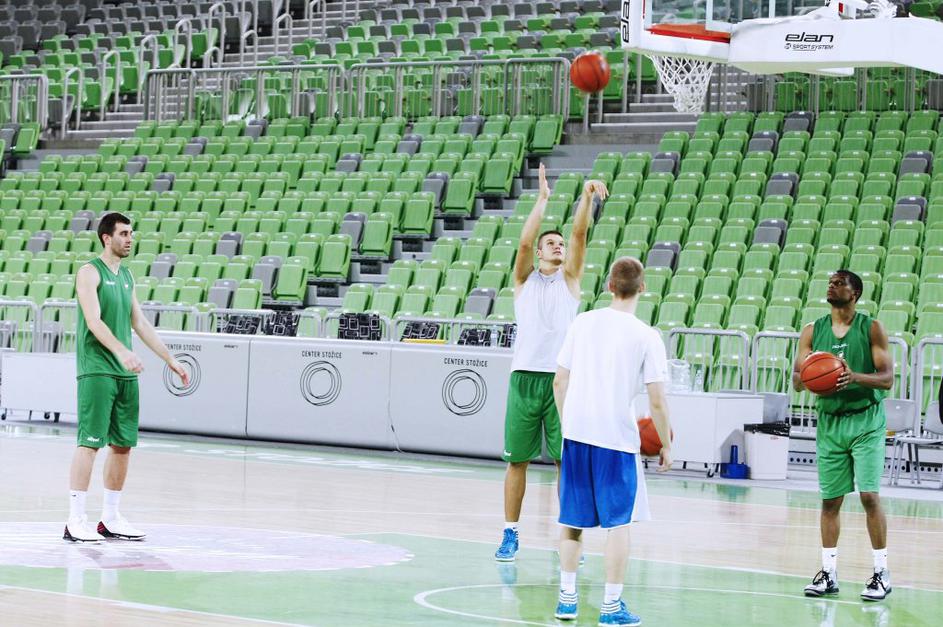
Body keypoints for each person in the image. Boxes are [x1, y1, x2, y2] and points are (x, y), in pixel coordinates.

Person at [494, 164, 608, 561]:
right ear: (541, 252)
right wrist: (541, 201)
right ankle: (510, 533)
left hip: (563, 382)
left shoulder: (571, 279)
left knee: (567, 463)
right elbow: (523, 246)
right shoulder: (523, 281)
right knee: (517, 462)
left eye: (560, 244)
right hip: (524, 379)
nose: (559, 246)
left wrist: (586, 196)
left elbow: (580, 233)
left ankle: (569, 536)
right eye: (551, 243)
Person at [552, 257, 672, 626]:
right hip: (615, 438)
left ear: (608, 286)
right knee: (618, 524)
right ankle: (610, 606)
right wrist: (666, 443)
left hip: (575, 433)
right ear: (643, 287)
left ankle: (567, 600)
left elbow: (559, 382)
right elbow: (656, 399)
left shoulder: (582, 322)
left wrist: (568, 423)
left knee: (571, 521)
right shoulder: (646, 335)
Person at [64, 212, 189, 542]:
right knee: (89, 443)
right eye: (123, 233)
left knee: (122, 446)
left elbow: (141, 324)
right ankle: (75, 519)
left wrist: (170, 359)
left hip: (125, 374)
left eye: (131, 233)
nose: (129, 239)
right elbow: (94, 321)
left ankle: (110, 517)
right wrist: (121, 351)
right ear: (107, 237)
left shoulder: (128, 277)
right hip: (97, 369)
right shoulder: (89, 272)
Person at [793, 269, 894, 601]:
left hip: (866, 420)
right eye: (830, 282)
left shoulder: (871, 327)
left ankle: (881, 573)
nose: (831, 285)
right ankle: (828, 573)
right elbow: (798, 375)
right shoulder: (812, 330)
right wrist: (808, 376)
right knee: (830, 501)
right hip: (830, 423)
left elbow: (887, 378)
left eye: (839, 283)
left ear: (855, 293)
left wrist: (853, 377)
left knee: (869, 497)